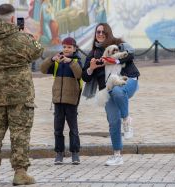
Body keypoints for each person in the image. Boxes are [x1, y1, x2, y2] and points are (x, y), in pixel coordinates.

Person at [0, 4, 43, 186]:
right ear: (13, 19)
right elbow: (38, 51)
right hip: (19, 95)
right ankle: (20, 173)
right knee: (20, 133)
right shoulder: (21, 38)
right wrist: (29, 35)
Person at [82, 23, 140, 166]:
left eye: (103, 32)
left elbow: (131, 54)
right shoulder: (93, 54)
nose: (100, 34)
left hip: (128, 80)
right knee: (113, 121)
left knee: (118, 91)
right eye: (98, 32)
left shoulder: (118, 44)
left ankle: (126, 119)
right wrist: (91, 68)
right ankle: (117, 156)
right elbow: (85, 77)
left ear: (108, 33)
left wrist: (115, 60)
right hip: (107, 89)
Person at [40, 37, 82, 165]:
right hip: (58, 101)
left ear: (74, 49)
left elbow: (79, 74)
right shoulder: (58, 62)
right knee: (58, 129)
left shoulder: (77, 61)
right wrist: (52, 59)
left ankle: (75, 153)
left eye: (69, 47)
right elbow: (42, 69)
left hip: (71, 101)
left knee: (73, 129)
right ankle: (59, 153)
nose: (66, 49)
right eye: (64, 47)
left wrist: (70, 62)